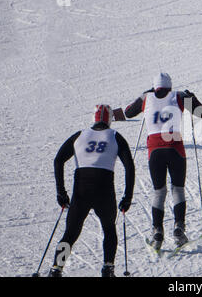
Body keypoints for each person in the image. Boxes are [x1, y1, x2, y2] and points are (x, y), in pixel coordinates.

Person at [48, 105, 135, 277]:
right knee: (109, 229)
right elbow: (129, 167)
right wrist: (127, 196)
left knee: (71, 233)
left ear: (94, 118)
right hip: (104, 190)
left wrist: (61, 192)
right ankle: (108, 268)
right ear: (109, 119)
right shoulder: (115, 136)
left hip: (81, 190)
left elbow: (58, 160)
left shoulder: (80, 135)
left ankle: (57, 268)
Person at [124, 73, 202, 250]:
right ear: (170, 86)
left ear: (155, 87)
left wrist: (143, 95)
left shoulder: (147, 97)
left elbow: (128, 112)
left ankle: (157, 232)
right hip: (175, 148)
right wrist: (192, 97)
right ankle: (178, 227)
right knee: (178, 189)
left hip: (155, 150)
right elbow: (201, 113)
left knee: (159, 192)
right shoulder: (178, 96)